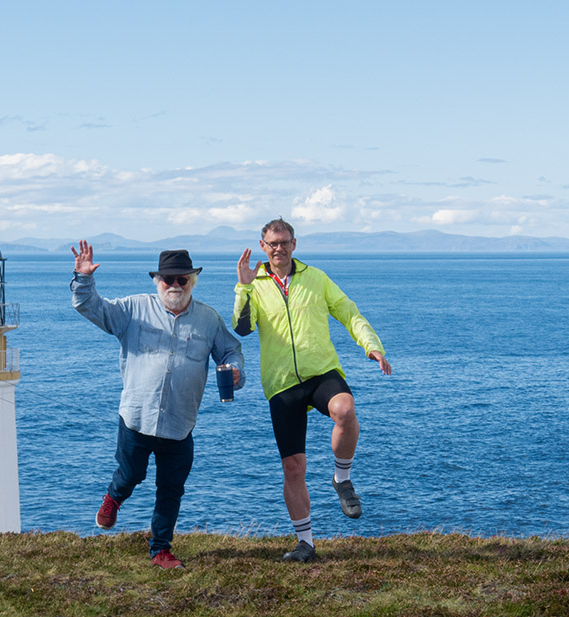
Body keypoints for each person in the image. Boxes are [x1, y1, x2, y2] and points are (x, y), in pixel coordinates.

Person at [72, 242, 245, 569]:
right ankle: (114, 497)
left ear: (192, 280)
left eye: (182, 279)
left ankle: (160, 550)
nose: (175, 285)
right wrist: (83, 278)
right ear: (158, 281)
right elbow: (90, 306)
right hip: (136, 418)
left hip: (180, 424)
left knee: (171, 488)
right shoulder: (133, 309)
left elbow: (230, 351)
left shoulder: (208, 319)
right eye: (169, 279)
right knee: (131, 474)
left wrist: (236, 370)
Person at [233, 219, 391, 563]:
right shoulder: (254, 284)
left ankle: (342, 479)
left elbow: (348, 312)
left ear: (294, 243)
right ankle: (306, 543)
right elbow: (243, 328)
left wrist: (371, 345)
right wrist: (243, 287)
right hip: (281, 383)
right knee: (293, 468)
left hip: (321, 371)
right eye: (273, 243)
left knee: (345, 410)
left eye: (285, 242)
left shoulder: (316, 278)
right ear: (263, 246)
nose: (279, 248)